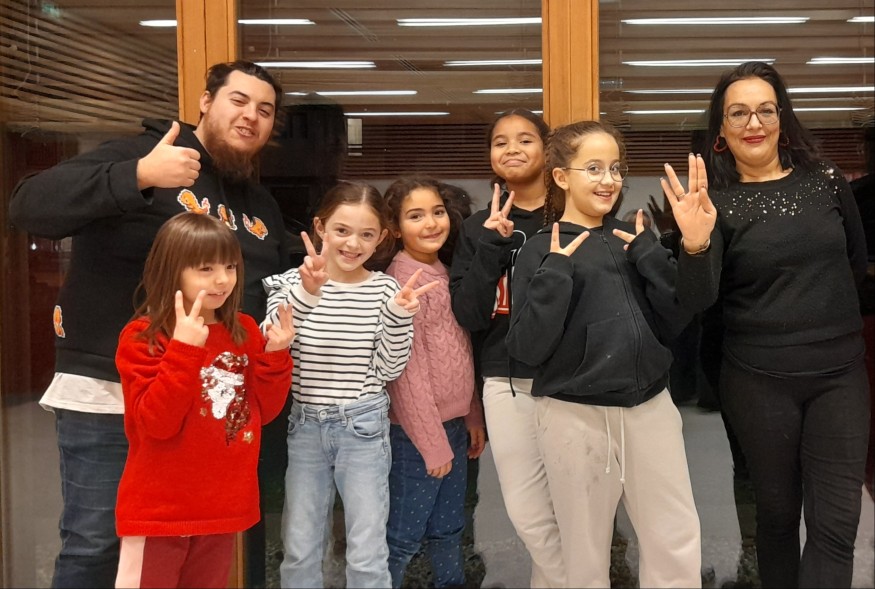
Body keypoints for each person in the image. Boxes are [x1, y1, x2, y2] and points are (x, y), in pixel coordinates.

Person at [7, 59, 290, 588]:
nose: (252, 115)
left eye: (265, 109)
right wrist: (138, 175)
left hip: (200, 405)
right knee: (96, 544)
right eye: (238, 100)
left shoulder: (258, 205)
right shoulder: (148, 152)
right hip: (109, 391)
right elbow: (29, 206)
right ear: (205, 102)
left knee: (184, 549)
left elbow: (259, 291)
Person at [662, 61, 869, 588]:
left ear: (782, 118)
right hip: (758, 380)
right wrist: (694, 243)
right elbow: (698, 300)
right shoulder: (713, 203)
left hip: (839, 375)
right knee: (777, 519)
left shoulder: (826, 181)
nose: (754, 123)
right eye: (738, 113)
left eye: (765, 110)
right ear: (721, 128)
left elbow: (853, 263)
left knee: (836, 526)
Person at [505, 120, 702, 588]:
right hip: (574, 417)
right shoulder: (539, 250)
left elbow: (679, 317)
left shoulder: (632, 239)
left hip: (650, 409)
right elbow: (526, 348)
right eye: (593, 168)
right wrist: (556, 272)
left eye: (615, 168)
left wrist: (652, 257)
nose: (608, 179)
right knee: (583, 552)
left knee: (675, 537)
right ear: (561, 177)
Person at [261, 181, 437, 588]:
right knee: (300, 546)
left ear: (382, 238)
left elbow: (389, 369)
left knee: (367, 550)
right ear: (320, 227)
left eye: (367, 234)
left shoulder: (386, 290)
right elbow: (271, 339)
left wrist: (398, 318)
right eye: (341, 230)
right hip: (305, 425)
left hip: (363, 425)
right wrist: (307, 292)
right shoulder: (288, 282)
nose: (353, 244)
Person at [113, 213, 294, 588]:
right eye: (205, 268)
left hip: (224, 508)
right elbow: (157, 424)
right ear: (172, 271)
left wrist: (276, 357)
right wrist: (184, 350)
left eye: (230, 266)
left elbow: (263, 413)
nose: (222, 279)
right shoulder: (143, 336)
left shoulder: (243, 329)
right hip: (160, 514)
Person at [449, 108, 566, 588]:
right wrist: (492, 245)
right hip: (505, 377)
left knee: (574, 505)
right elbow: (470, 315)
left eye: (525, 139)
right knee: (527, 509)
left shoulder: (571, 214)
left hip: (572, 376)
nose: (512, 149)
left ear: (547, 150)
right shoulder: (478, 226)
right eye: (501, 142)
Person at [380, 175, 486, 588]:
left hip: (454, 427)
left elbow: (461, 351)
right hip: (415, 436)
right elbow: (406, 378)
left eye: (437, 212)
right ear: (395, 228)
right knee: (403, 537)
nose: (430, 223)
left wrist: (471, 414)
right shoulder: (402, 281)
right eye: (415, 216)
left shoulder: (444, 271)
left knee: (449, 528)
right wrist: (431, 442)